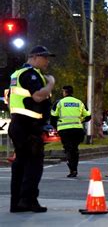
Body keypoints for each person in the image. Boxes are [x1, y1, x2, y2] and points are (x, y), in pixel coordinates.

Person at [8, 46, 56, 213]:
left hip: (18, 125)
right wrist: (51, 83)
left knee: (20, 164)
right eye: (45, 58)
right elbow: (38, 96)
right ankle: (28, 200)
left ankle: (17, 202)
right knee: (34, 165)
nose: (47, 61)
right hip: (28, 126)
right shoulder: (31, 74)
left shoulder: (16, 74)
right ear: (34, 57)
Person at [50, 85, 91, 178]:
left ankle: (72, 169)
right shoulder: (79, 102)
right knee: (74, 149)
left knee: (68, 149)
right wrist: (80, 121)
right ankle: (75, 168)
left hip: (65, 131)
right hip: (77, 130)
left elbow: (53, 117)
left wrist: (56, 127)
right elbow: (88, 116)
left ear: (64, 92)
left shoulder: (59, 103)